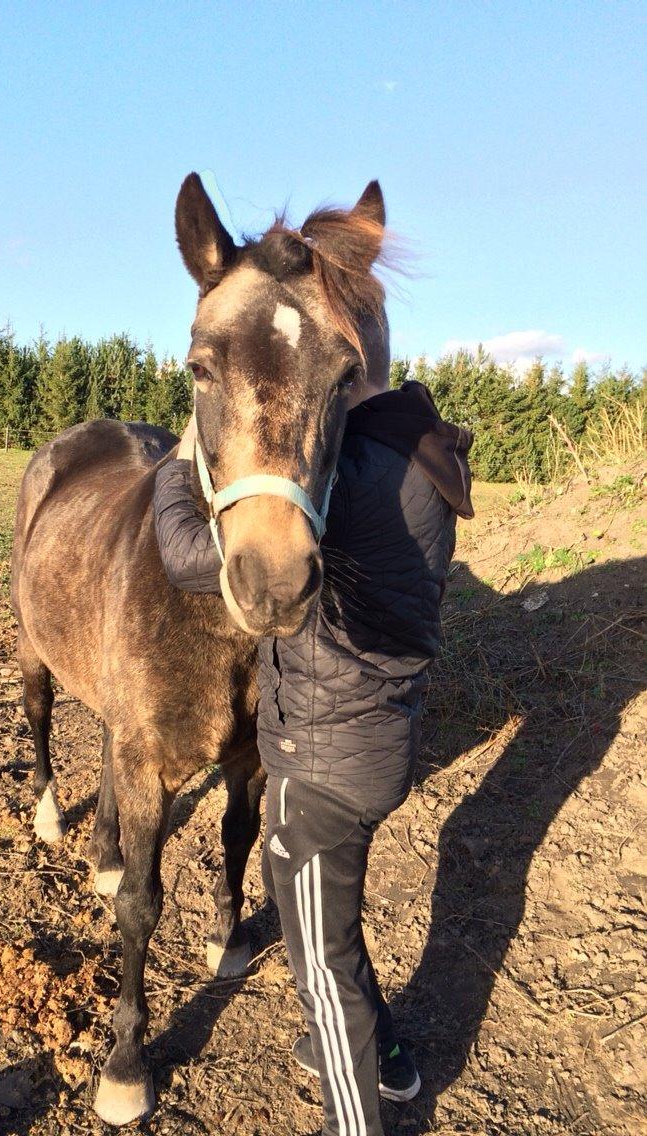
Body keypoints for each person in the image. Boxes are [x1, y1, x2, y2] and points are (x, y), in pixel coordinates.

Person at [153, 373, 473, 1136]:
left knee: (321, 967)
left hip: (321, 762)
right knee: (324, 921)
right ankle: (381, 1055)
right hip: (378, 738)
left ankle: (354, 1111)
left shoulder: (346, 482)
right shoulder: (421, 457)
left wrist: (179, 461)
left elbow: (187, 556)